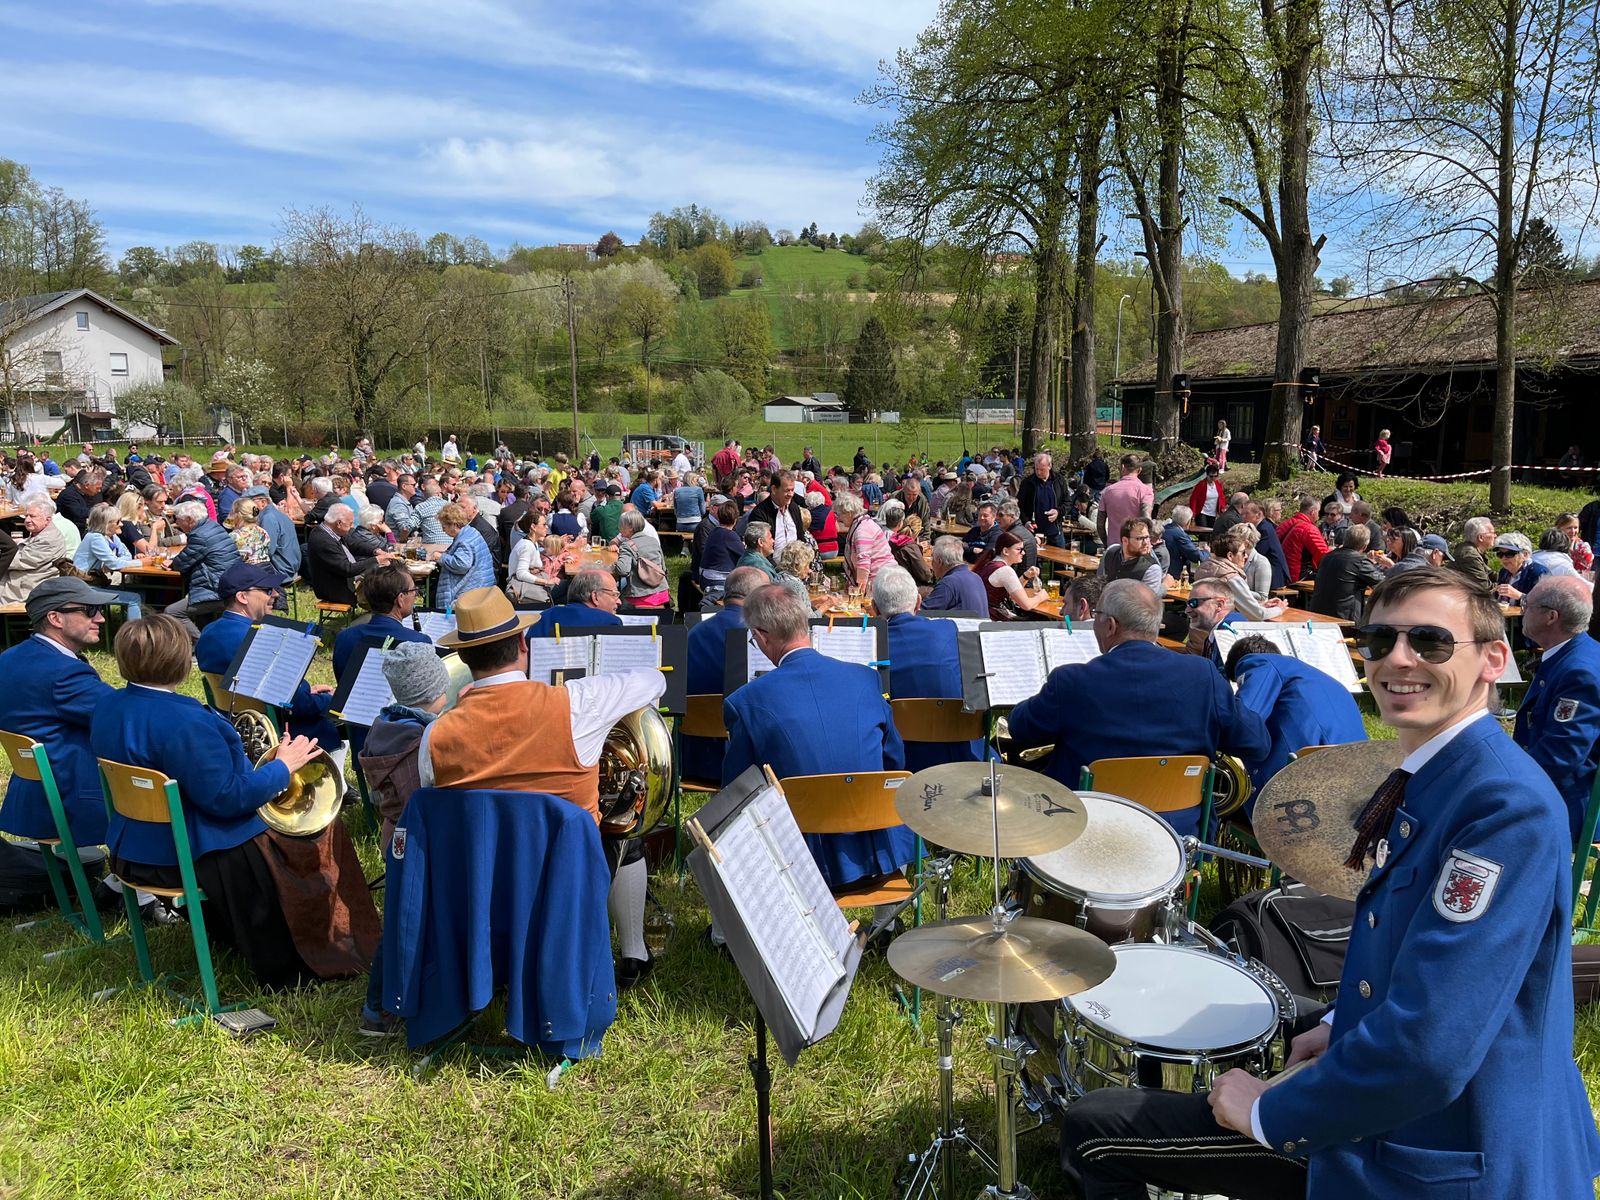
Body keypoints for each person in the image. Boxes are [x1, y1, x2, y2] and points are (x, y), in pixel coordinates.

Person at [1062, 566, 1600, 1200]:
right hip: (1425, 1115)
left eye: (1428, 642)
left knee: (1095, 1129)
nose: (1398, 659)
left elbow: (1428, 1051)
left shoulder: (1501, 806)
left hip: (1442, 1154)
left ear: (1492, 659)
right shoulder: (1444, 772)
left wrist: (1266, 1113)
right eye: (1379, 641)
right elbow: (1430, 963)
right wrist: (1343, 1017)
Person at [93, 614, 379, 989]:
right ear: (182, 660)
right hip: (188, 854)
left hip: (132, 850)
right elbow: (227, 799)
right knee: (323, 830)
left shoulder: (108, 706)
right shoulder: (184, 721)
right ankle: (330, 942)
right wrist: (284, 766)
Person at [420, 587, 665, 988]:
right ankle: (633, 952)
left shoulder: (434, 736)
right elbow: (653, 680)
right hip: (565, 879)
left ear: (463, 658)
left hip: (479, 885)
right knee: (624, 829)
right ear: (522, 643)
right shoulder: (578, 703)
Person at [1007, 580, 1268, 836]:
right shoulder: (1204, 675)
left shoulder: (1071, 680)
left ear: (1110, 626)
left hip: (1088, 831)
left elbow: (1020, 728)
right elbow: (1257, 742)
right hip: (1176, 835)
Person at [721, 584, 912, 889]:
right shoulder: (866, 677)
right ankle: (886, 924)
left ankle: (724, 934)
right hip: (876, 847)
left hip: (800, 862)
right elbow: (895, 759)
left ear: (761, 636)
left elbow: (737, 792)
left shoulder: (744, 702)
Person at [0, 579, 119, 865]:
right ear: (55, 618)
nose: (100, 618)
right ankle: (140, 890)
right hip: (74, 797)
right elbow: (125, 716)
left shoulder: (10, 657)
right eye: (90, 610)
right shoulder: (65, 674)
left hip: (33, 793)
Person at [196, 563, 344, 761]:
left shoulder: (207, 633)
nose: (275, 594)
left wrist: (304, 690)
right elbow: (300, 705)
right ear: (242, 597)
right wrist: (330, 698)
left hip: (232, 725)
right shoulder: (264, 639)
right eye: (267, 590)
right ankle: (338, 787)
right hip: (277, 731)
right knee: (336, 721)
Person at [1225, 635, 1368, 806]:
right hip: (1356, 782)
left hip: (1302, 790)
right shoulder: (1319, 677)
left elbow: (1243, 723)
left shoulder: (1258, 662)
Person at [1514, 575, 1600, 844]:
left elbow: (1560, 756)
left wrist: (1506, 783)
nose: (1522, 609)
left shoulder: (1579, 671)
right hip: (1549, 790)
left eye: (1528, 603)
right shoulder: (1571, 654)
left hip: (1565, 807)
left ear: (1551, 617)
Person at [874, 567, 985, 770]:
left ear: (874, 608)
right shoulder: (947, 628)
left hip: (904, 759)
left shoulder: (871, 646)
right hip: (962, 751)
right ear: (918, 601)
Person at [683, 566, 767, 783]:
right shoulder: (760, 636)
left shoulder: (694, 632)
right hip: (744, 764)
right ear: (755, 597)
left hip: (693, 756)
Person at [331, 561, 432, 682]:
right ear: (400, 599)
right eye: (413, 590)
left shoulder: (344, 637)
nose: (415, 594)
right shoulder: (419, 642)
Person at [166, 499, 243, 639]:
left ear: (189, 520)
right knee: (202, 615)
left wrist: (171, 563)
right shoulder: (212, 526)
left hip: (216, 589)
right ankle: (208, 644)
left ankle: (200, 644)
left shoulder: (200, 535)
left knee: (172, 611)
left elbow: (182, 563)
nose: (176, 524)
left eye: (178, 520)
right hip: (229, 585)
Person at [72, 502, 146, 618]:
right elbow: (114, 564)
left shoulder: (112, 536)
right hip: (84, 586)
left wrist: (121, 562)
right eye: (118, 521)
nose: (121, 524)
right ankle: (133, 635)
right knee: (134, 598)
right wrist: (141, 562)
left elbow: (126, 555)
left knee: (141, 592)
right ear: (106, 524)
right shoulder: (95, 538)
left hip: (95, 582)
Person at [307, 505, 385, 608]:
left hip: (346, 580)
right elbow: (347, 569)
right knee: (383, 586)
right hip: (336, 590)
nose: (353, 526)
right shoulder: (322, 540)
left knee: (385, 576)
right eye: (350, 523)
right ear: (339, 523)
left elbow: (354, 544)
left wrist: (375, 551)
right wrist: (376, 560)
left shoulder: (333, 531)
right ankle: (381, 618)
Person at [1308, 523, 1386, 622]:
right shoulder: (1359, 561)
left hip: (1317, 612)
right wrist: (1390, 565)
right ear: (1365, 546)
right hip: (1344, 617)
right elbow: (1383, 582)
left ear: (1345, 540)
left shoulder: (1328, 556)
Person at [527, 569, 624, 638]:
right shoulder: (610, 622)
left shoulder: (543, 618)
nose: (619, 601)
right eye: (614, 594)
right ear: (595, 597)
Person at [974, 531, 1050, 617]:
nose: (1023, 553)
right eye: (1019, 549)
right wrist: (1041, 596)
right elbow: (1026, 605)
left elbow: (1012, 592)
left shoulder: (990, 564)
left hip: (984, 616)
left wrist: (1025, 576)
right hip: (994, 620)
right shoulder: (1005, 570)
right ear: (1006, 551)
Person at [835, 492, 893, 594]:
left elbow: (863, 561)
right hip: (880, 578)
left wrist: (860, 590)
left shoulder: (862, 530)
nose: (838, 518)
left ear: (849, 513)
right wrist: (851, 581)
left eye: (840, 514)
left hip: (880, 581)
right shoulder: (861, 523)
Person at [615, 509, 671, 607]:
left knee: (619, 602)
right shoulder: (653, 541)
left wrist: (614, 565)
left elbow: (623, 570)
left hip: (639, 596)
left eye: (622, 525)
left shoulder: (627, 545)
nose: (619, 528)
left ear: (630, 528)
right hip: (662, 593)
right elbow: (664, 568)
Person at [1097, 517, 1166, 594]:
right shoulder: (1111, 552)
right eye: (1140, 538)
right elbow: (1099, 586)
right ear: (1125, 540)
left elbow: (1144, 603)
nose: (1146, 542)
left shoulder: (1152, 569)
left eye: (1147, 537)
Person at [1097, 454, 1153, 548]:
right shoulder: (1145, 491)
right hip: (1136, 547)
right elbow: (1146, 519)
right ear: (1139, 470)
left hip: (1113, 546)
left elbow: (1100, 524)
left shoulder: (1107, 491)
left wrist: (1106, 543)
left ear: (1122, 467)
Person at [922, 535, 989, 612]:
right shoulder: (976, 577)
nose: (931, 562)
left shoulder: (948, 583)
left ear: (939, 562)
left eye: (932, 558)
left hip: (962, 623)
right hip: (980, 623)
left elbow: (922, 613)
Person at [750, 471, 805, 558]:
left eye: (792, 490)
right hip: (772, 568)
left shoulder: (794, 508)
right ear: (774, 489)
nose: (791, 494)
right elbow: (759, 549)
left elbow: (801, 537)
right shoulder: (760, 513)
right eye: (787, 490)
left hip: (795, 566)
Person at [1016, 453, 1067, 547]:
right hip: (1034, 531)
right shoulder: (1027, 483)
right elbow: (1019, 506)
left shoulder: (1059, 480)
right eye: (1036, 469)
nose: (1038, 472)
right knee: (1032, 560)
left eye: (1042, 470)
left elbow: (1067, 502)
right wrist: (1026, 521)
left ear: (1049, 466)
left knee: (1061, 560)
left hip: (1055, 531)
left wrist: (1058, 512)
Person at [1277, 497, 1329, 581]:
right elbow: (1324, 554)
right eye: (1319, 511)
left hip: (1281, 572)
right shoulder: (1309, 529)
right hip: (1298, 575)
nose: (1319, 514)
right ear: (1312, 512)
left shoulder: (1284, 524)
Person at [1493, 530, 1547, 605]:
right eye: (1500, 554)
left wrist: (1519, 596)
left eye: (1509, 554)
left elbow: (1543, 604)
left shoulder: (1539, 572)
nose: (1504, 558)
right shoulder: (1504, 572)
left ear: (1525, 555)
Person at [1449, 516, 1496, 590]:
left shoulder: (1469, 550)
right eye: (1493, 533)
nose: (1495, 536)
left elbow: (1489, 573)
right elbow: (1484, 588)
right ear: (1481, 537)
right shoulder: (1469, 556)